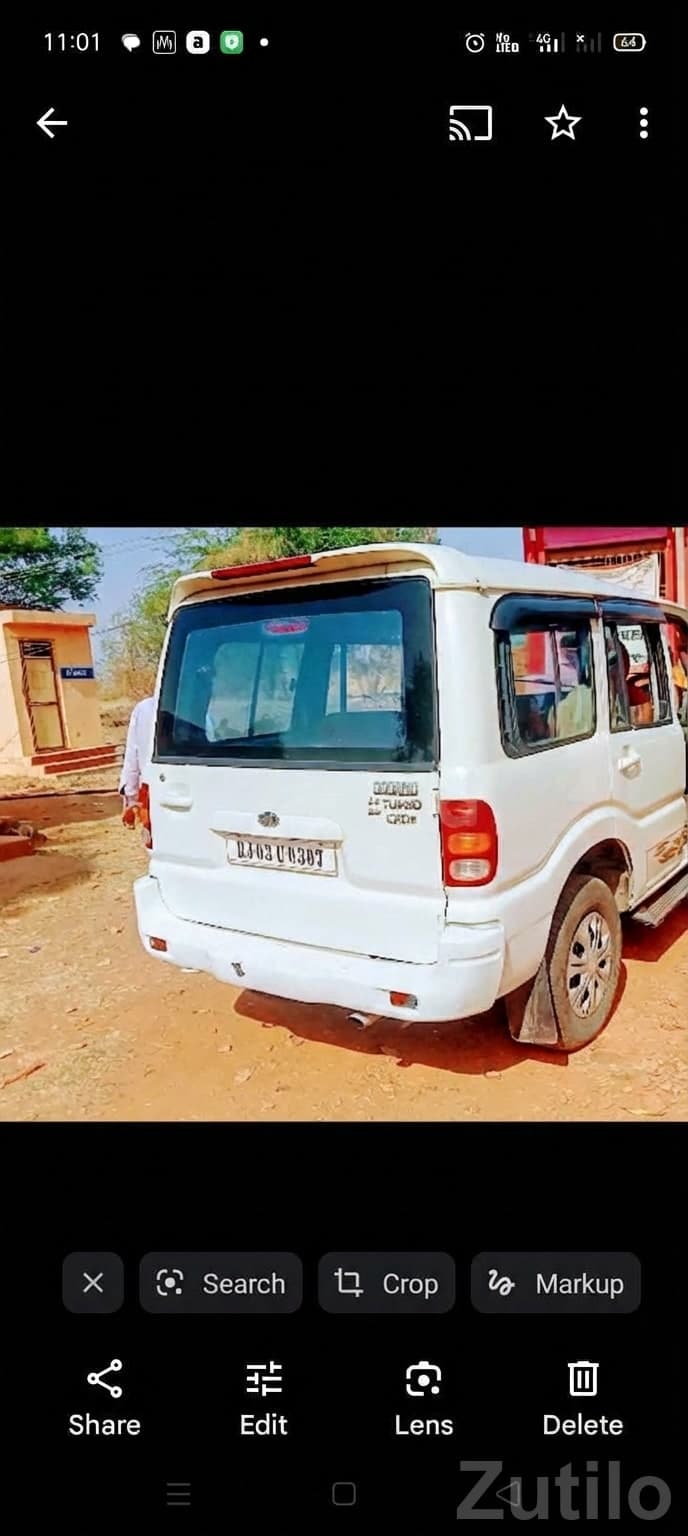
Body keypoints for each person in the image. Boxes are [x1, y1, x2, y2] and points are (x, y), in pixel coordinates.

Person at [118, 695, 156, 827]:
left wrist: (132, 798)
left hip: (154, 792)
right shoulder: (198, 704)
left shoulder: (145, 708)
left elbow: (132, 757)